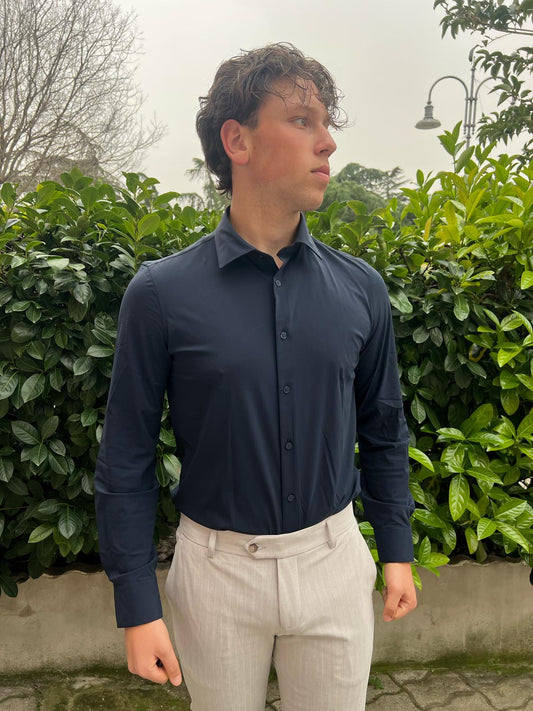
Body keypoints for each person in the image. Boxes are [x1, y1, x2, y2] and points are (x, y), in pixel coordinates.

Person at [95, 42, 417, 711]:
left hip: (332, 561)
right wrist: (136, 603)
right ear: (236, 140)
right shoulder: (160, 294)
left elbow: (384, 428)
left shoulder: (361, 289)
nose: (327, 142)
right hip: (215, 573)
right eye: (301, 120)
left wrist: (396, 549)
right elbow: (126, 455)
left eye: (326, 123)